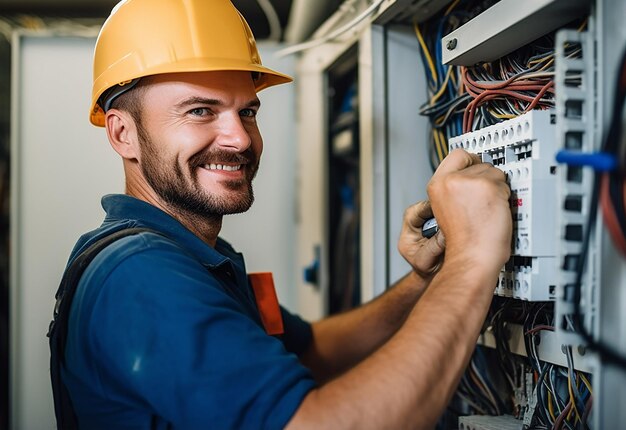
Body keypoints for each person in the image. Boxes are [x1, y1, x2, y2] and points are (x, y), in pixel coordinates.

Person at [55, 0, 512, 428]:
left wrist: (426, 279)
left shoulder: (197, 256)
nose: (239, 139)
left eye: (247, 111)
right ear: (123, 134)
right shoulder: (141, 276)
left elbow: (310, 351)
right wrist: (473, 260)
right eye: (200, 111)